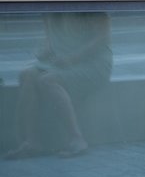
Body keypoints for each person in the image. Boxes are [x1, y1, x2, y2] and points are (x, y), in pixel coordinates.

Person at [5, 12, 112, 159]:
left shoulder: (88, 0)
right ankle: (31, 142)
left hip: (92, 63)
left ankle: (77, 139)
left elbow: (102, 39)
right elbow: (51, 37)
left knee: (48, 80)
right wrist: (45, 52)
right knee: (27, 75)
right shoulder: (47, 3)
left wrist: (71, 59)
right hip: (62, 59)